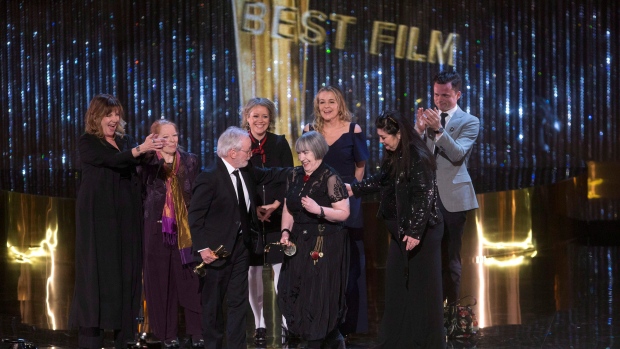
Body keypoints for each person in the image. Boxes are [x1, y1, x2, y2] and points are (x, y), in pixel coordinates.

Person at [69, 94, 163, 349]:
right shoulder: (88, 142)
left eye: (116, 114)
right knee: (98, 272)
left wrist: (151, 147)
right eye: (108, 114)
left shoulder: (126, 141)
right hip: (98, 219)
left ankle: (125, 337)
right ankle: (91, 338)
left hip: (126, 216)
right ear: (96, 117)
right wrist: (138, 151)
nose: (113, 119)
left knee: (127, 269)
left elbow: (138, 161)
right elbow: (110, 161)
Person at [348, 110, 445, 348]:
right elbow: (383, 179)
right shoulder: (395, 154)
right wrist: (354, 189)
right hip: (400, 231)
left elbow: (424, 195)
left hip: (421, 232)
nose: (381, 142)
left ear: (399, 134)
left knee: (423, 289)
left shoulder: (417, 155)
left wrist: (414, 231)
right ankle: (398, 340)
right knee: (397, 287)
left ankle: (427, 342)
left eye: (384, 137)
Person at [188, 126, 288, 349]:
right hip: (215, 252)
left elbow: (270, 175)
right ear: (232, 152)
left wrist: (298, 171)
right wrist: (203, 249)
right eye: (247, 150)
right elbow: (195, 217)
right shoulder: (209, 177)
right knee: (213, 305)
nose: (250, 153)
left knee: (238, 302)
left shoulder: (246, 170)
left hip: (242, 248)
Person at [303, 86, 370, 336]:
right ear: (317, 106)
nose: (327, 106)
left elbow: (361, 166)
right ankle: (323, 322)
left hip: (347, 198)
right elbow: (306, 164)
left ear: (339, 104)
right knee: (320, 263)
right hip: (318, 199)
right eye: (322, 102)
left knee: (350, 266)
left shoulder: (354, 129)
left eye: (331, 101)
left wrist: (350, 191)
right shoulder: (310, 131)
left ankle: (349, 326)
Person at [278, 131, 351, 349]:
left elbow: (344, 213)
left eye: (306, 152)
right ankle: (305, 334)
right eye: (299, 152)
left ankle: (319, 337)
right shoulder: (293, 175)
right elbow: (287, 208)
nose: (302, 157)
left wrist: (318, 209)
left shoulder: (331, 177)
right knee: (287, 288)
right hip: (298, 239)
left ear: (318, 151)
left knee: (316, 293)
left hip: (324, 240)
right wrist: (285, 232)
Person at [415, 71, 480, 305]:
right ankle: (431, 312)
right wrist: (419, 130)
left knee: (450, 257)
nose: (440, 100)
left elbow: (457, 154)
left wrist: (438, 130)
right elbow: (414, 156)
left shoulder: (469, 121)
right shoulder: (429, 118)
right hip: (426, 197)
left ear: (458, 94)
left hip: (452, 197)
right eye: (436, 94)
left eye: (446, 95)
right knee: (427, 256)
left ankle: (451, 312)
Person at [139, 120, 203, 348]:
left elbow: (195, 193)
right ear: (155, 139)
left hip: (184, 229)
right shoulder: (146, 162)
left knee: (189, 277)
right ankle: (167, 334)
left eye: (175, 135)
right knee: (159, 280)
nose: (173, 140)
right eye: (166, 136)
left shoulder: (190, 160)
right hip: (155, 229)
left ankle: (197, 332)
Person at [241, 98, 294, 346]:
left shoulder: (280, 143)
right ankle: (259, 324)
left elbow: (289, 177)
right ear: (247, 118)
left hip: (276, 215)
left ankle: (284, 324)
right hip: (251, 217)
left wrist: (275, 204)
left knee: (278, 270)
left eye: (264, 116)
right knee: (252, 272)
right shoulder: (240, 143)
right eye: (255, 116)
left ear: (270, 119)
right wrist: (255, 208)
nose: (260, 121)